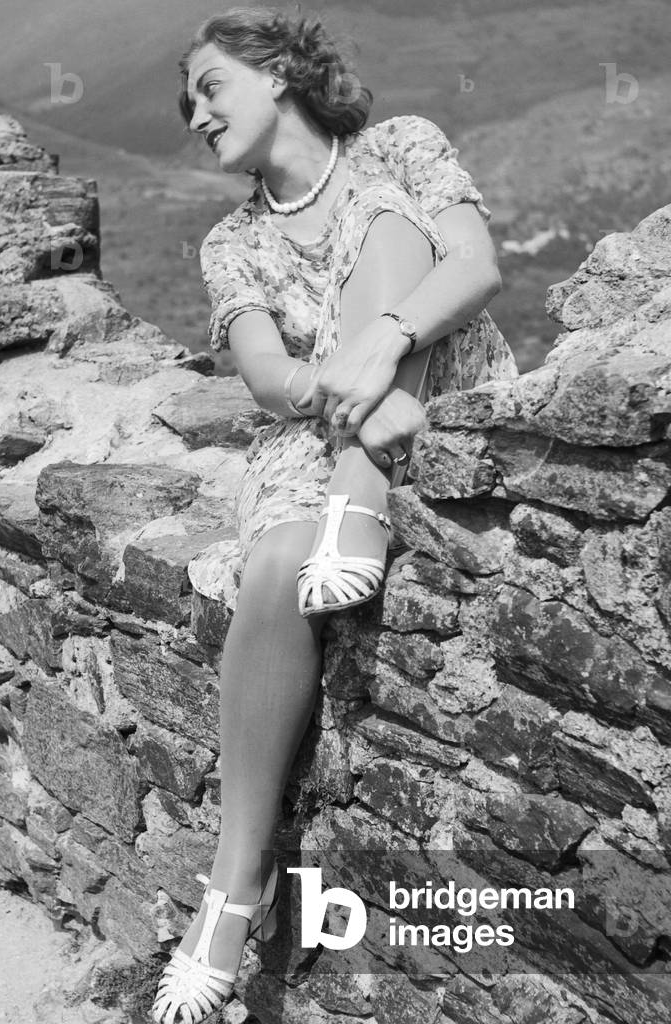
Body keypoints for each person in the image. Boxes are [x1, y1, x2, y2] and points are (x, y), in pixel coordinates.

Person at [152, 7, 518, 1023]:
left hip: (436, 381)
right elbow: (269, 380)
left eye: (210, 86)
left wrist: (381, 347)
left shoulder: (398, 148)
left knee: (386, 218)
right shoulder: (232, 242)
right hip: (310, 440)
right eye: (187, 102)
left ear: (276, 72)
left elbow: (475, 267)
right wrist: (357, 392)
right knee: (272, 572)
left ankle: (362, 493)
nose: (195, 113)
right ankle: (234, 888)